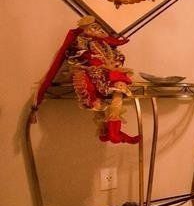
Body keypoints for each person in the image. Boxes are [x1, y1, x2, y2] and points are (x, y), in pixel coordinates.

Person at [32, 16, 140, 144]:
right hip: (91, 71)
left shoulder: (104, 43)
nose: (98, 30)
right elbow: (83, 57)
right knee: (95, 99)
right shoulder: (82, 42)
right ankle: (108, 131)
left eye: (97, 27)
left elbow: (117, 55)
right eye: (94, 27)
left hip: (107, 71)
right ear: (86, 29)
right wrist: (102, 65)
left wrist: (115, 63)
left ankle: (112, 131)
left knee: (119, 86)